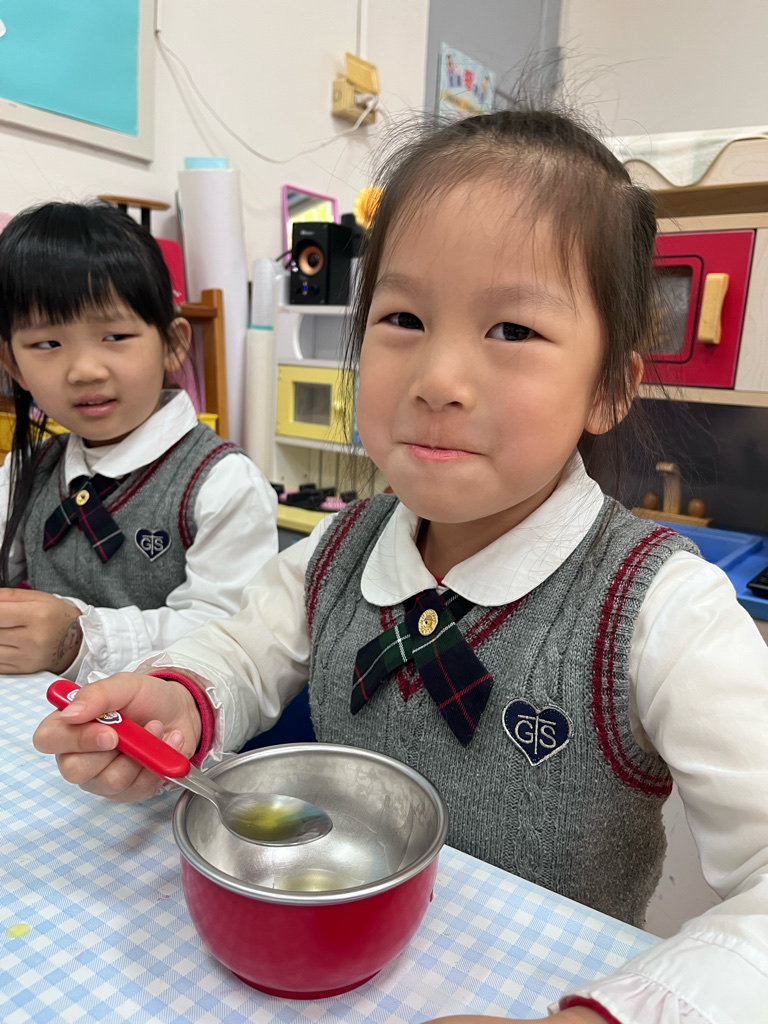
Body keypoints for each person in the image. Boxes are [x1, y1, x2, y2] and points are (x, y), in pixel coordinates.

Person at [34, 112, 768, 1023]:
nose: (438, 379)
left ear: (610, 387)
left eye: (512, 328)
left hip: (546, 988)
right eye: (403, 319)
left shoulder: (661, 608)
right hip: (328, 969)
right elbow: (246, 648)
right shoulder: (342, 545)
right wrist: (183, 699)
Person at [0, 201, 277, 679]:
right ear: (13, 367)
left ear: (173, 344)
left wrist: (81, 639)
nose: (85, 370)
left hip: (167, 717)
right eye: (47, 344)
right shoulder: (28, 468)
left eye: (115, 336)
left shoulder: (223, 483)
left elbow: (229, 637)